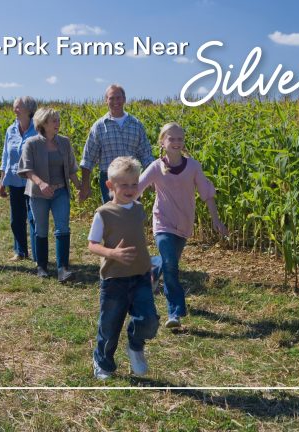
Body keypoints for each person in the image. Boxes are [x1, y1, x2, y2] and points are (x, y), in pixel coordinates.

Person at [137, 123, 228, 329]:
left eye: (180, 139)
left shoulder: (193, 166)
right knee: (171, 266)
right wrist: (117, 209)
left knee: (169, 262)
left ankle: (152, 267)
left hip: (184, 223)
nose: (176, 142)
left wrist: (216, 220)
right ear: (163, 142)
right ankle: (175, 312)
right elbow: (136, 189)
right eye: (172, 139)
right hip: (162, 222)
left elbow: (207, 194)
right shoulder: (155, 167)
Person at [87, 156, 159, 379]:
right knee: (109, 327)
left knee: (149, 321)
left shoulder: (138, 209)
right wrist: (112, 253)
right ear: (110, 185)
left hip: (140, 276)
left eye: (134, 184)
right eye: (124, 184)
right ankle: (103, 362)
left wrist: (150, 267)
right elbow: (92, 244)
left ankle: (136, 346)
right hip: (114, 279)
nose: (130, 189)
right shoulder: (104, 213)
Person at [18, 108, 81, 282]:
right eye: (54, 120)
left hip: (60, 191)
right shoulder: (31, 143)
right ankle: (42, 266)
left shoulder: (64, 142)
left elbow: (71, 168)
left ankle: (63, 269)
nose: (57, 124)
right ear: (43, 123)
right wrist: (41, 183)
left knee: (63, 228)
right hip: (38, 193)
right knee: (41, 229)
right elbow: (27, 170)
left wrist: (79, 187)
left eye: (58, 120)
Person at [78, 84, 154, 203]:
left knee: (132, 214)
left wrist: (152, 178)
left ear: (124, 99)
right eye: (111, 98)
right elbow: (88, 158)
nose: (115, 101)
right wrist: (85, 185)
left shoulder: (136, 125)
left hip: (132, 179)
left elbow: (146, 155)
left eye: (118, 98)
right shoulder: (99, 126)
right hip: (109, 180)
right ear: (106, 101)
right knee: (112, 215)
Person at [0, 96, 38, 262]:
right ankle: (20, 251)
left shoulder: (38, 129)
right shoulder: (10, 130)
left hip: (33, 181)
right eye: (14, 107)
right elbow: (5, 157)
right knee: (16, 219)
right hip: (14, 180)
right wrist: (2, 182)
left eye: (18, 107)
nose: (15, 110)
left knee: (33, 217)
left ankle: (38, 255)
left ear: (29, 110)